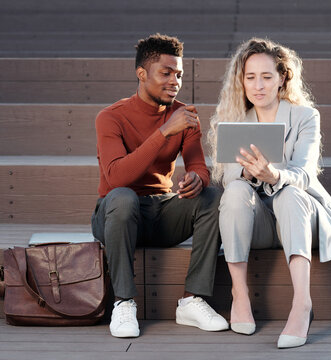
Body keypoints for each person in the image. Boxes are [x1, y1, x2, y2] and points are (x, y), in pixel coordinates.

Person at [207, 38, 331, 348]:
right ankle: (239, 294)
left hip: (299, 217)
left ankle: (302, 304)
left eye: (267, 76)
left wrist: (275, 175)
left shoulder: (305, 117)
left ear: (282, 78)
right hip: (257, 221)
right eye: (250, 77)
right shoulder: (235, 120)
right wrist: (245, 172)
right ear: (241, 80)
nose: (258, 85)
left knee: (289, 194)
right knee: (234, 191)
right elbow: (227, 175)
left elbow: (305, 172)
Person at [92, 33, 228, 338]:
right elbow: (116, 178)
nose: (174, 81)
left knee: (213, 197)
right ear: (142, 74)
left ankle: (192, 299)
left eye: (178, 74)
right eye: (165, 73)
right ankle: (124, 303)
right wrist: (165, 131)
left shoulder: (185, 116)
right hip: (115, 214)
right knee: (124, 197)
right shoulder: (110, 118)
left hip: (159, 211)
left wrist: (197, 180)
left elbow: (198, 168)